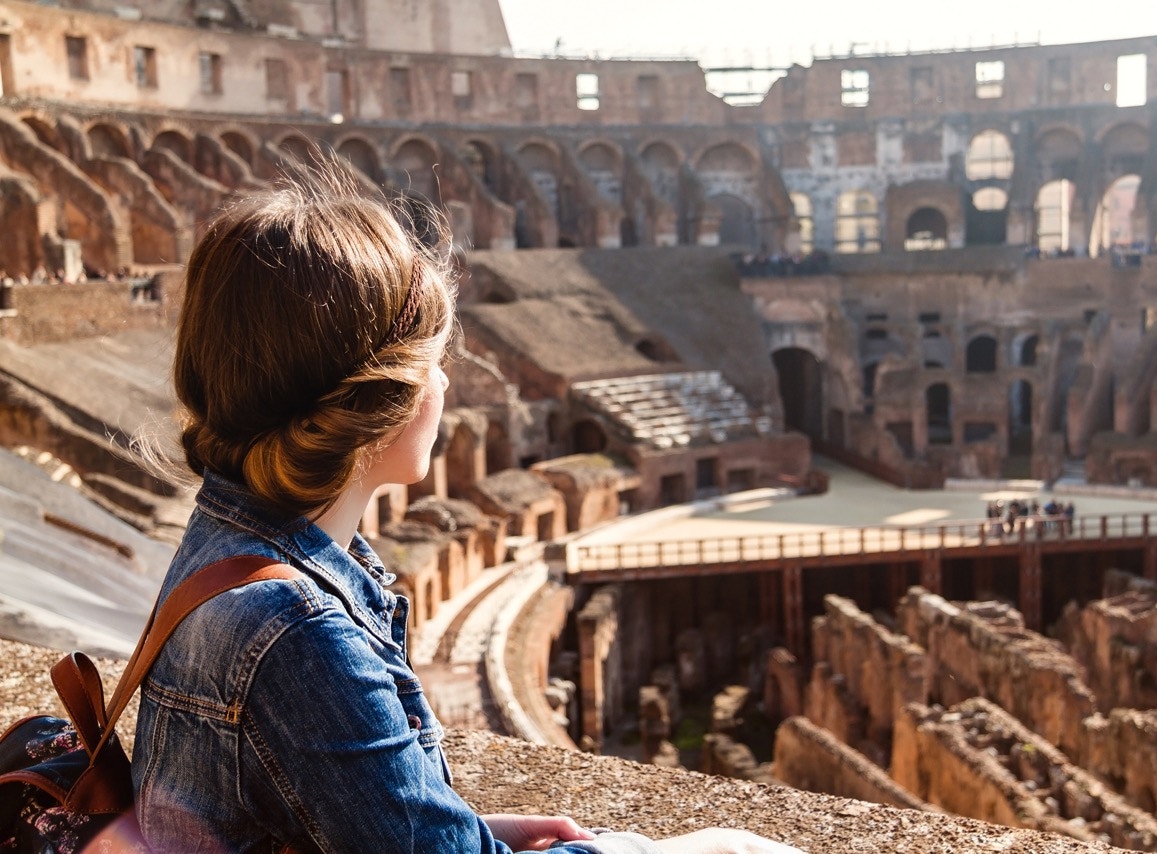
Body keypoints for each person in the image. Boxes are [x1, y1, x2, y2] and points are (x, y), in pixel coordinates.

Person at [133, 164, 803, 854]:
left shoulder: (232, 542)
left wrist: (467, 834)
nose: (446, 379)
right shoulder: (298, 631)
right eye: (434, 358)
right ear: (382, 399)